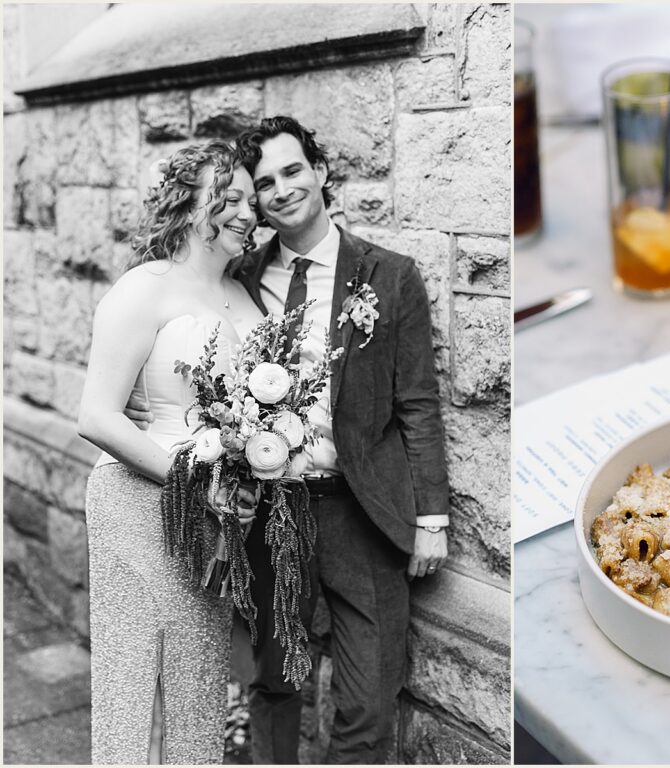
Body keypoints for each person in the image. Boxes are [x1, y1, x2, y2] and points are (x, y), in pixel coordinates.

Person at [231, 116, 451, 764]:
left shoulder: (390, 276)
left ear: (322, 172)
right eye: (266, 182)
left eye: (293, 170)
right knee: (274, 678)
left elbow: (418, 401)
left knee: (368, 693)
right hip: (271, 514)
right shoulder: (240, 280)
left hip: (364, 512)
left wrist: (431, 518)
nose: (282, 189)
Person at [78, 141, 262, 764]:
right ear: (188, 204)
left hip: (214, 516)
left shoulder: (247, 300)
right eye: (229, 197)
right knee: (129, 688)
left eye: (250, 199)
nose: (247, 211)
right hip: (134, 500)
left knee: (200, 692)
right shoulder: (144, 287)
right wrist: (192, 479)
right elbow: (97, 415)